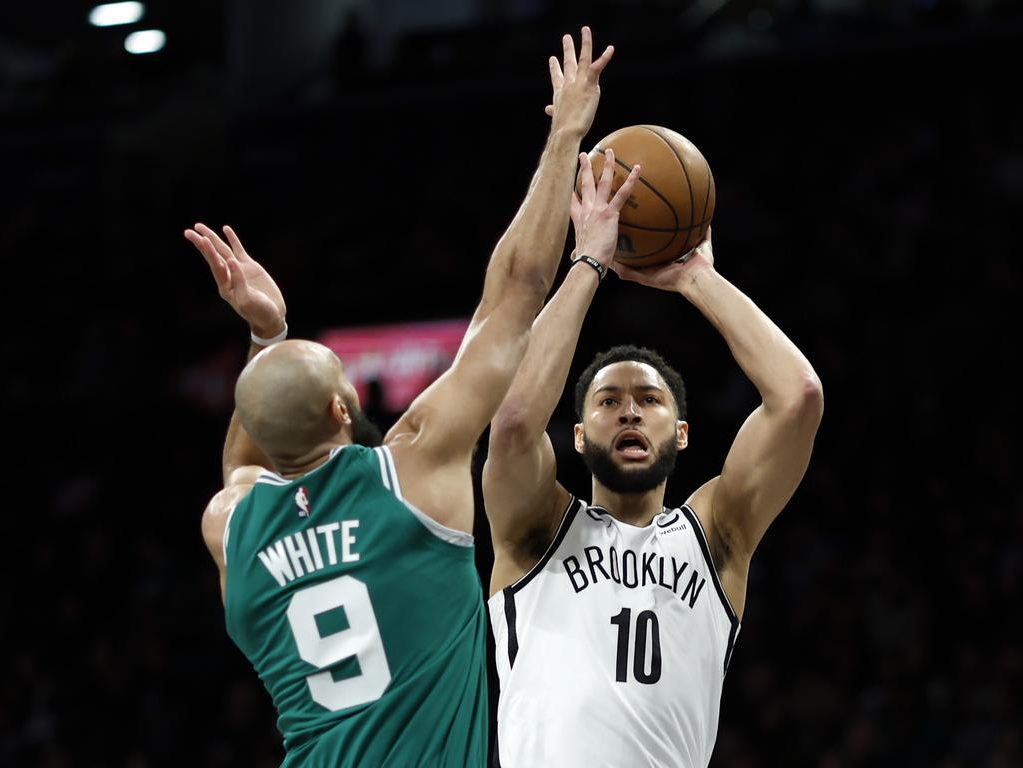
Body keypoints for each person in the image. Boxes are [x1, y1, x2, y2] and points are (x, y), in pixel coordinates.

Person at [185, 27, 639, 768]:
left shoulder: (230, 524)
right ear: (342, 411)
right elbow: (516, 297)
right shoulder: (412, 473)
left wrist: (267, 336)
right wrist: (565, 136)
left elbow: (242, 461)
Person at [483, 160, 824, 766]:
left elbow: (798, 397)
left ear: (684, 434)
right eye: (609, 402)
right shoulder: (537, 529)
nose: (630, 413)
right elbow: (511, 421)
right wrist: (588, 261)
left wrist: (696, 278)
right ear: (581, 437)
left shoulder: (716, 534)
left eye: (649, 401)